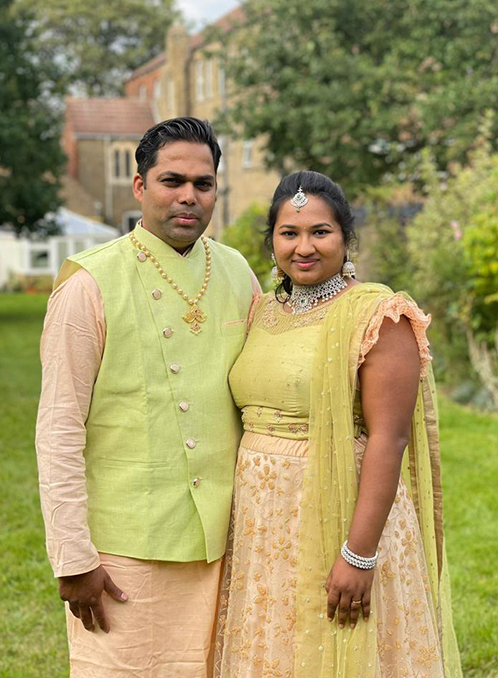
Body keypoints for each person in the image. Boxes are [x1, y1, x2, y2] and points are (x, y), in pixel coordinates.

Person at [36, 117, 260, 678]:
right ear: (140, 187)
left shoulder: (237, 272)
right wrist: (73, 557)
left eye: (203, 184)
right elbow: (59, 429)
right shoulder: (88, 284)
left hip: (229, 541)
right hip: (124, 551)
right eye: (172, 180)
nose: (189, 196)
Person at [215, 171, 462, 678]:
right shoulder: (263, 312)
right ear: (273, 242)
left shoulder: (378, 315)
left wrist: (359, 555)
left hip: (343, 517)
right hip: (263, 528)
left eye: (320, 232)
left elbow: (389, 440)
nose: (304, 247)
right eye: (289, 233)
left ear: (346, 239)